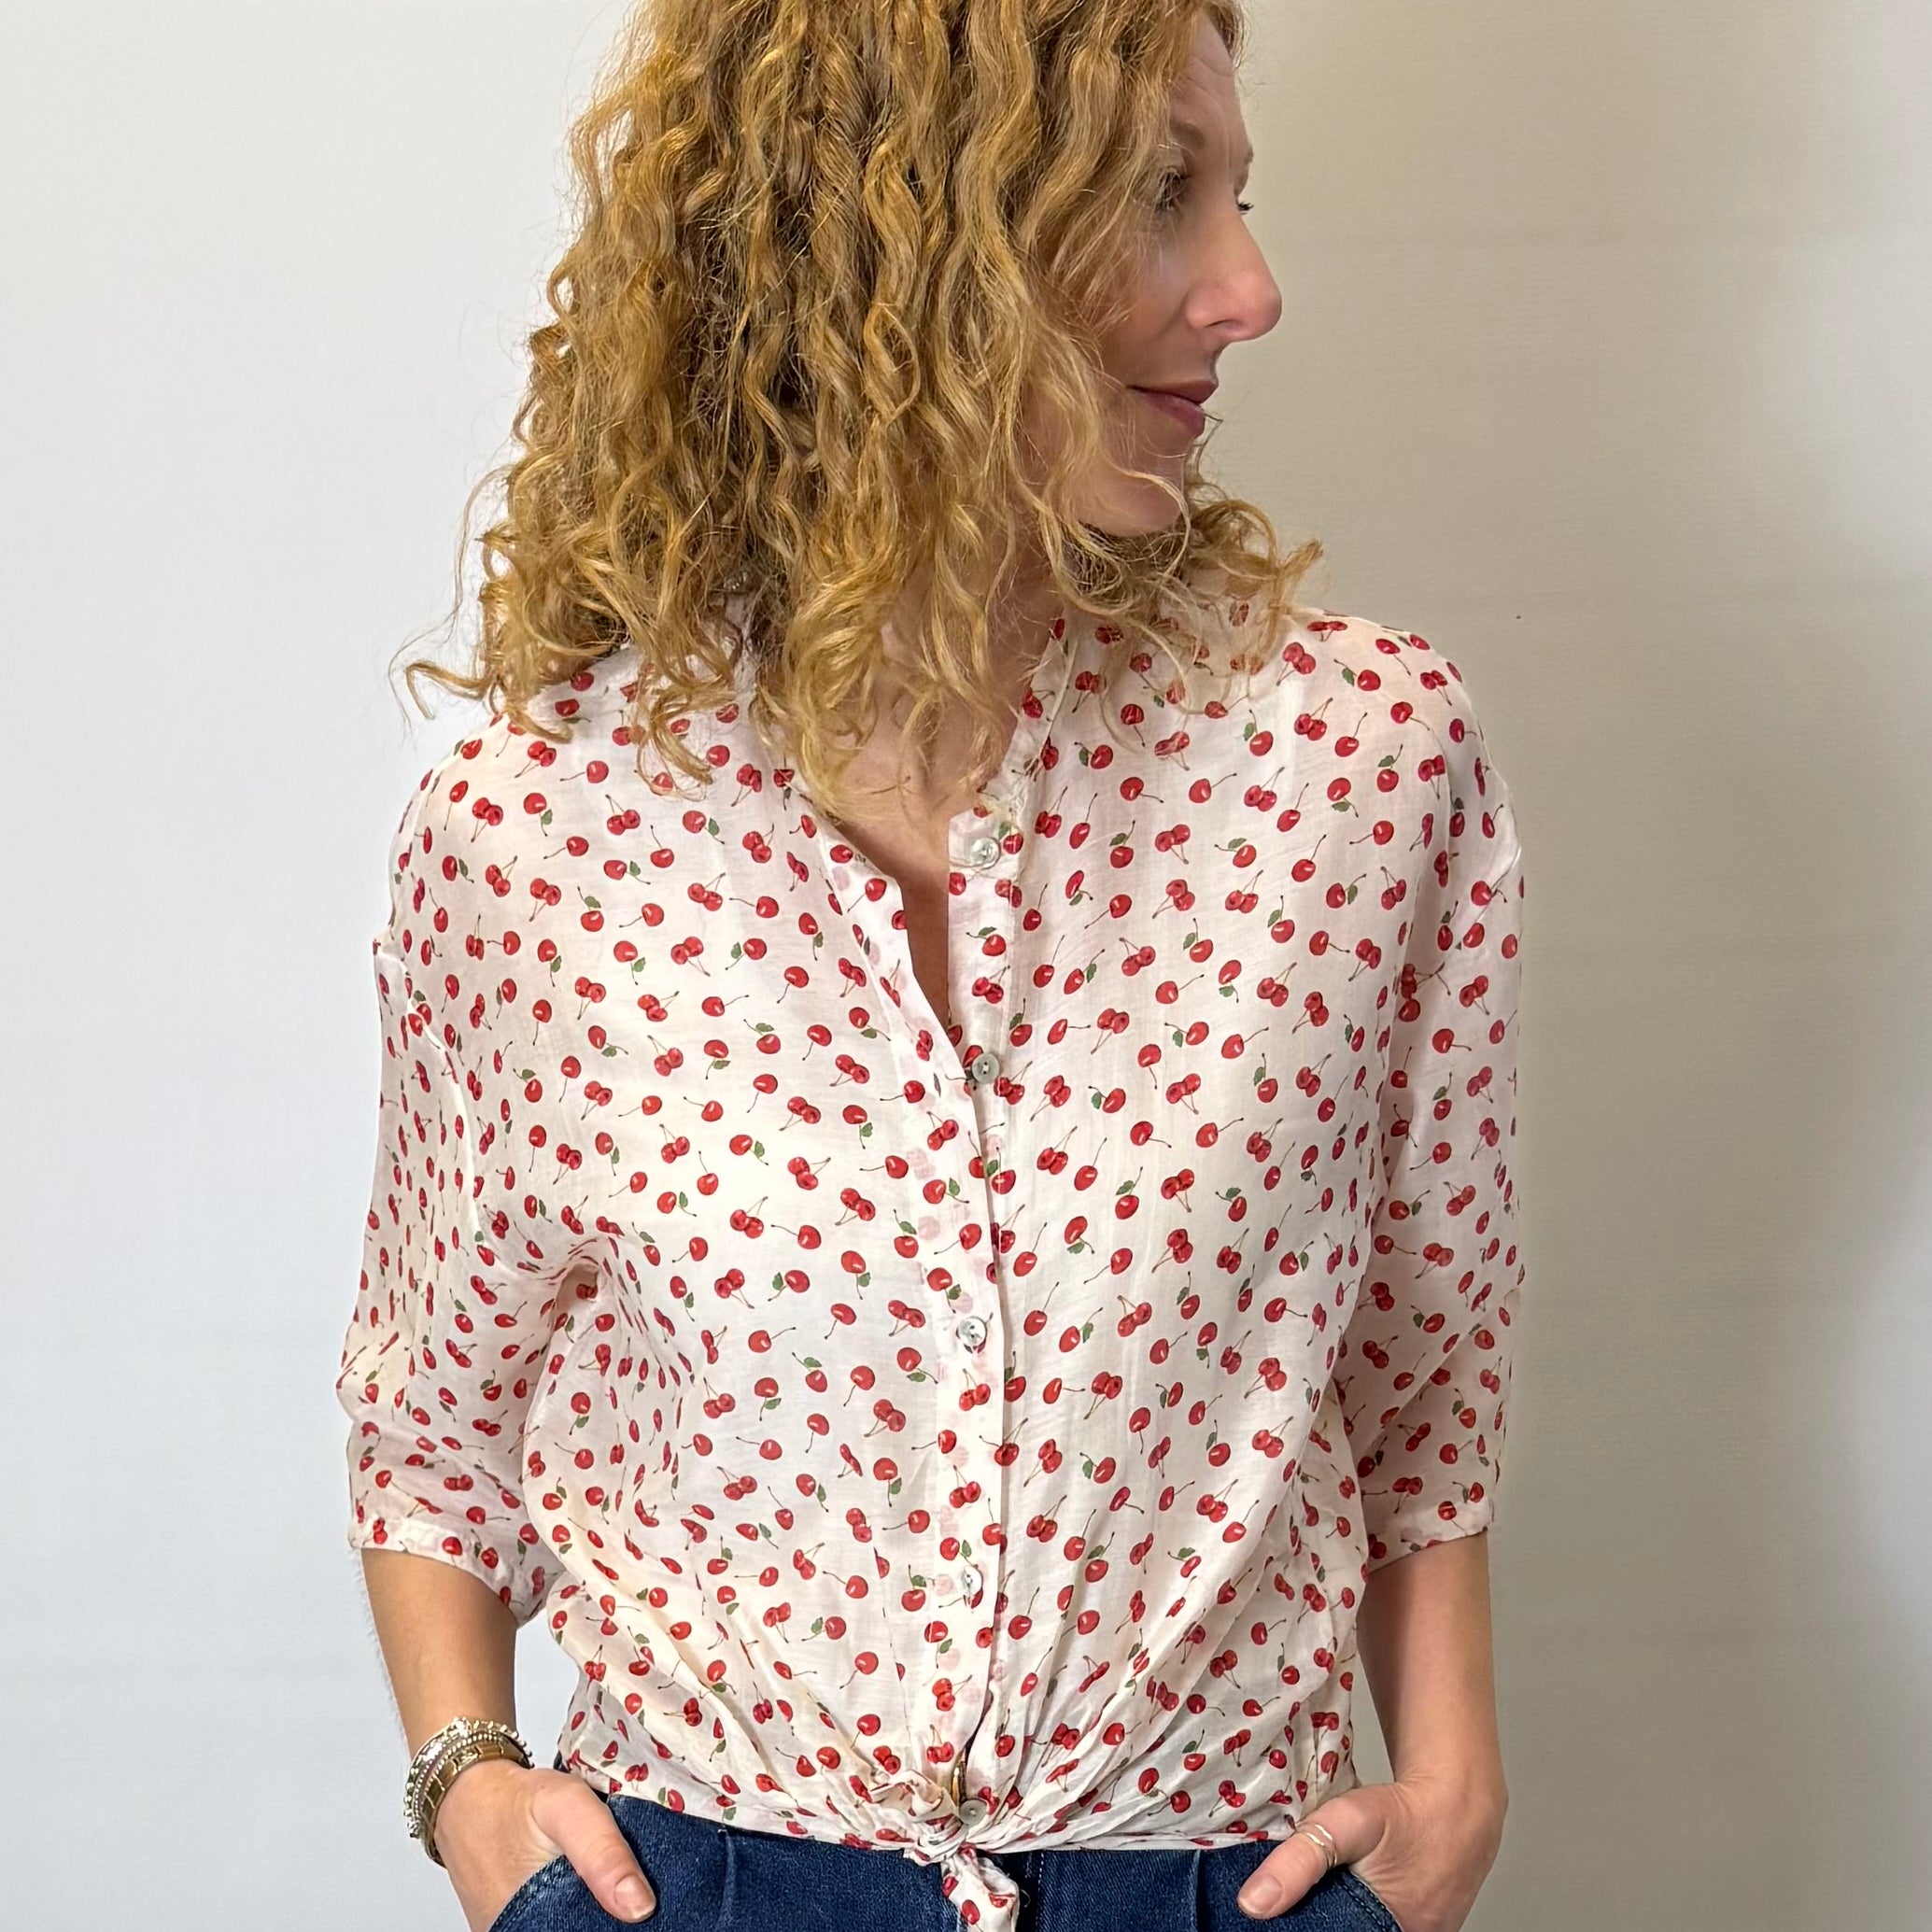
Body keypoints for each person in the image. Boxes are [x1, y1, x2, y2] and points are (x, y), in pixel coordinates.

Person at [335, 4, 1527, 1930]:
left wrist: (1454, 1782)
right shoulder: (538, 826)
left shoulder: (1358, 769)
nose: (1250, 287)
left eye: (1236, 191)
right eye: (1160, 194)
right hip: (698, 1881)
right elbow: (433, 1413)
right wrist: (470, 1787)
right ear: (904, 243)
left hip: (1217, 1873)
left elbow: (1424, 1356)